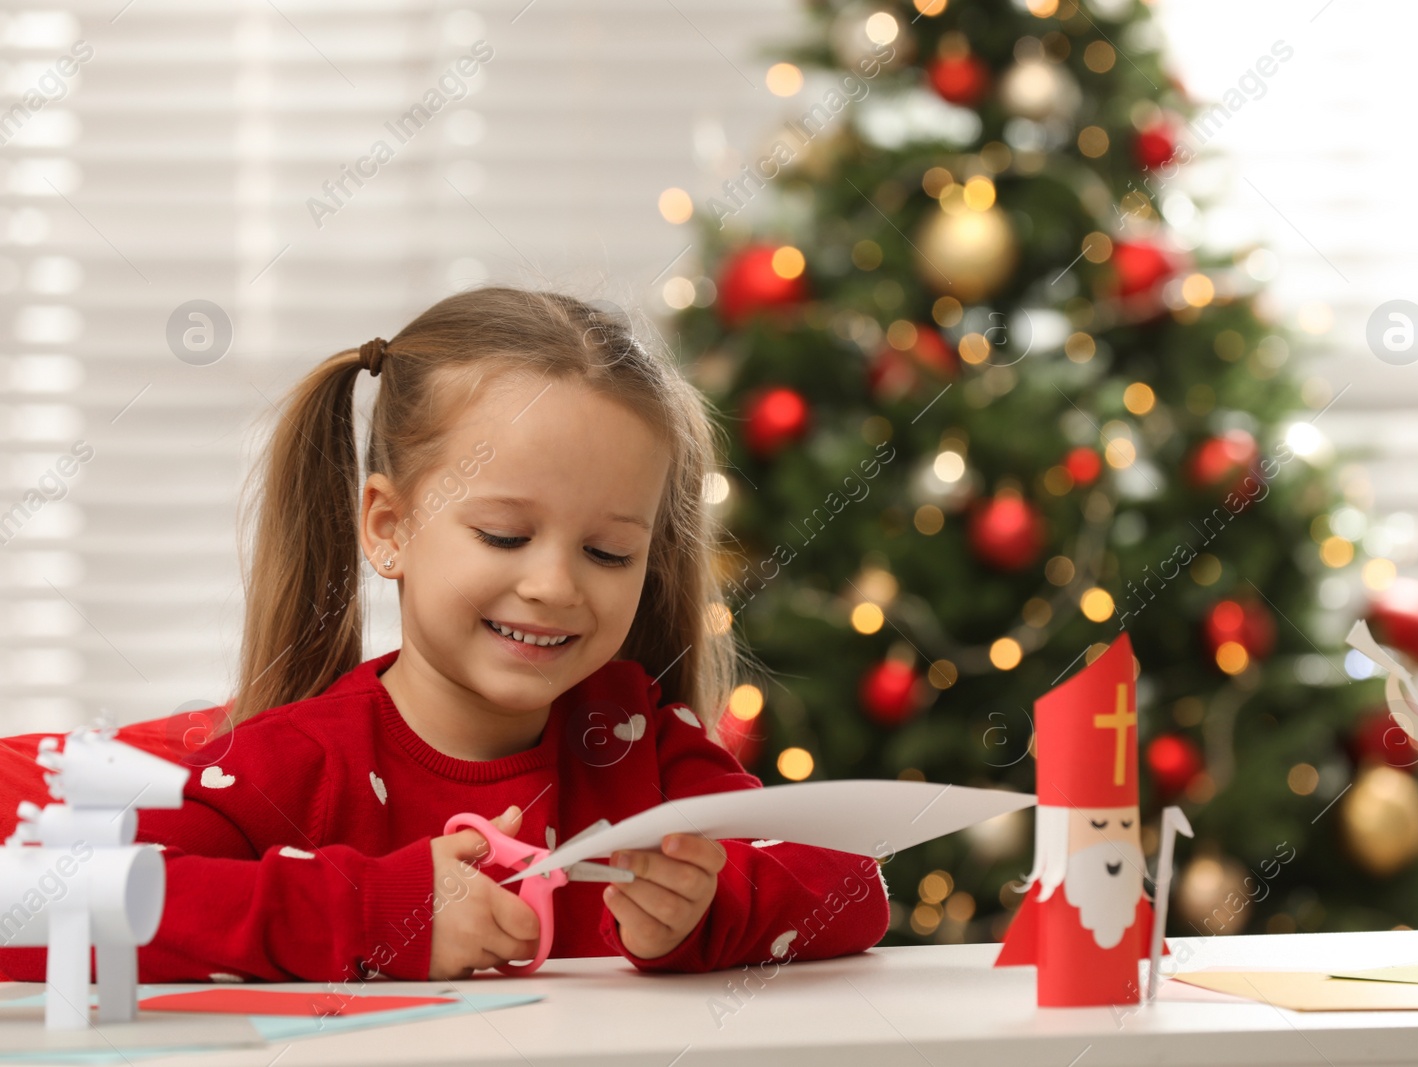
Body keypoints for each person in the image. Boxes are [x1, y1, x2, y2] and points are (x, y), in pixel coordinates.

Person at [0, 287, 890, 985]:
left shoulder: (638, 744)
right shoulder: (290, 767)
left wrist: (709, 906)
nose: (553, 585)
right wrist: (380, 913)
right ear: (388, 527)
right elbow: (51, 908)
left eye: (609, 551)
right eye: (504, 535)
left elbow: (857, 888)